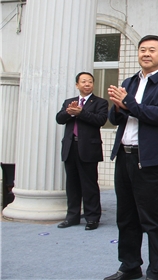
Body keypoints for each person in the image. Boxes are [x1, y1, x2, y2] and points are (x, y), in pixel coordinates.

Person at [104, 35, 158, 280]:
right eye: (142, 50)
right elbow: (115, 118)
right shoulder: (129, 82)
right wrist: (118, 107)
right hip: (124, 157)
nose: (146, 54)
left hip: (150, 161)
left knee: (155, 220)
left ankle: (157, 272)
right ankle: (130, 266)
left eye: (151, 50)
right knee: (126, 217)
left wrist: (128, 103)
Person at [56, 72, 108, 230]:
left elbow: (100, 120)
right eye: (84, 81)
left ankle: (92, 218)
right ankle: (72, 217)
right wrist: (68, 112)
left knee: (89, 184)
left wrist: (81, 113)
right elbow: (59, 119)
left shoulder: (100, 102)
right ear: (77, 85)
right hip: (70, 147)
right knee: (72, 184)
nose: (87, 84)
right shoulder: (69, 102)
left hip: (88, 148)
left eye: (90, 82)